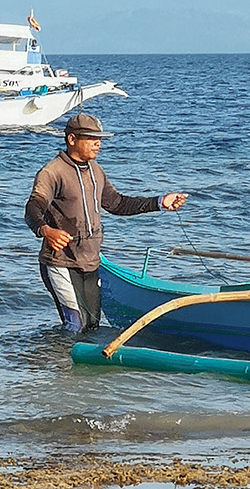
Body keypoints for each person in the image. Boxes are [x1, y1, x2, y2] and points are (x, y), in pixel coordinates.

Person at [24, 112, 188, 335]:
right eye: (91, 138)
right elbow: (32, 208)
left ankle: (80, 369)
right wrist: (46, 230)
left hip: (90, 261)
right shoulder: (52, 172)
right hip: (61, 262)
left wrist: (159, 202)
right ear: (72, 139)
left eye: (99, 138)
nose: (98, 143)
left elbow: (117, 204)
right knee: (75, 325)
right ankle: (57, 366)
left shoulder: (95, 170)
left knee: (91, 327)